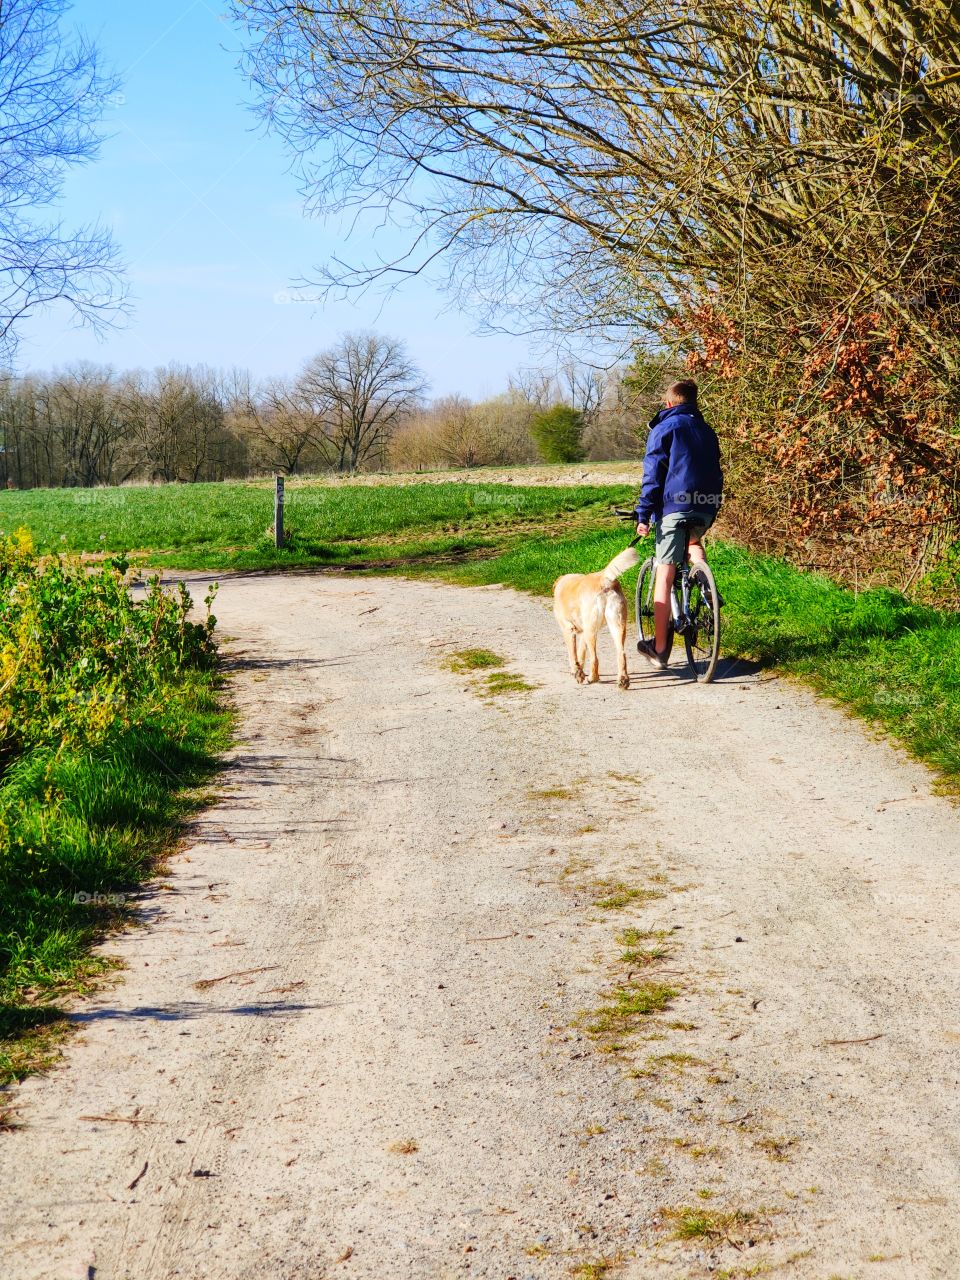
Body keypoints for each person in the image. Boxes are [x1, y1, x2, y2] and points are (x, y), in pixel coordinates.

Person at [634, 379, 723, 669]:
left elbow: (653, 475)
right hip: (706, 506)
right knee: (693, 542)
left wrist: (643, 513)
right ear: (694, 402)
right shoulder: (707, 431)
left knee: (665, 572)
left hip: (675, 506)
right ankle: (705, 580)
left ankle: (660, 649)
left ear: (669, 403)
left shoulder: (665, 428)